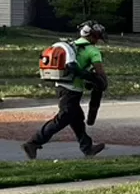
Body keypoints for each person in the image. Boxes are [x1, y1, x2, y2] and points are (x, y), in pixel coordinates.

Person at [23, 22, 109, 159]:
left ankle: (87, 148)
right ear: (93, 37)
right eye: (97, 37)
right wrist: (101, 82)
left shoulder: (72, 46)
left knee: (77, 119)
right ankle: (33, 142)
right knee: (62, 119)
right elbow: (100, 72)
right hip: (72, 90)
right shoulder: (93, 51)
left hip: (61, 86)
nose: (98, 40)